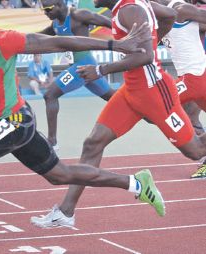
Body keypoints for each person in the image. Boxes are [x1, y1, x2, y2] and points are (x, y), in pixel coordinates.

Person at [0, 7, 163, 254]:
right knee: (59, 175)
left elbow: (57, 42)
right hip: (10, 123)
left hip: (15, 122)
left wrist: (114, 45)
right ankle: (136, 183)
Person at [30, 0, 206, 229]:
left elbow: (144, 56)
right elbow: (170, 15)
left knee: (195, 150)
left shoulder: (129, 10)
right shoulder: (130, 6)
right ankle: (65, 212)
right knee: (93, 143)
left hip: (154, 91)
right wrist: (156, 36)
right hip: (132, 90)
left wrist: (100, 70)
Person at [40, 0, 115, 150]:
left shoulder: (79, 15)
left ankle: (52, 142)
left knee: (50, 95)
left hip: (83, 66)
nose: (46, 13)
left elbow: (112, 23)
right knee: (114, 98)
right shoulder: (55, 23)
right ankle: (148, 113)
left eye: (48, 9)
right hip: (83, 69)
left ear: (59, 4)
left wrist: (129, 39)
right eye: (44, 10)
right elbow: (39, 36)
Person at [156, 0, 206, 178]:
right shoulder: (160, 13)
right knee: (190, 115)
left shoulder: (181, 9)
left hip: (195, 78)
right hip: (194, 77)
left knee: (156, 108)